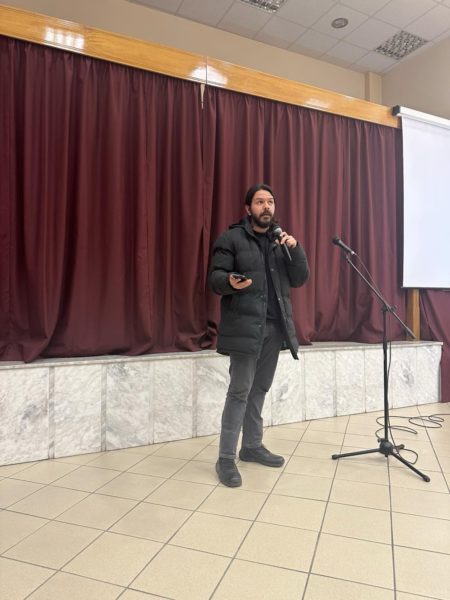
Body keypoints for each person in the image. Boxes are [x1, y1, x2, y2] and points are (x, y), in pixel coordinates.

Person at [209, 183, 310, 487]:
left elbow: (300, 278)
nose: (266, 207)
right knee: (240, 391)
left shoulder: (281, 242)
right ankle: (226, 458)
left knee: (260, 389)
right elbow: (215, 278)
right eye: (260, 202)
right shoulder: (231, 238)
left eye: (270, 202)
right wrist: (230, 281)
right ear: (248, 208)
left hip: (275, 329)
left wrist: (295, 248)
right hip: (245, 329)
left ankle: (251, 446)